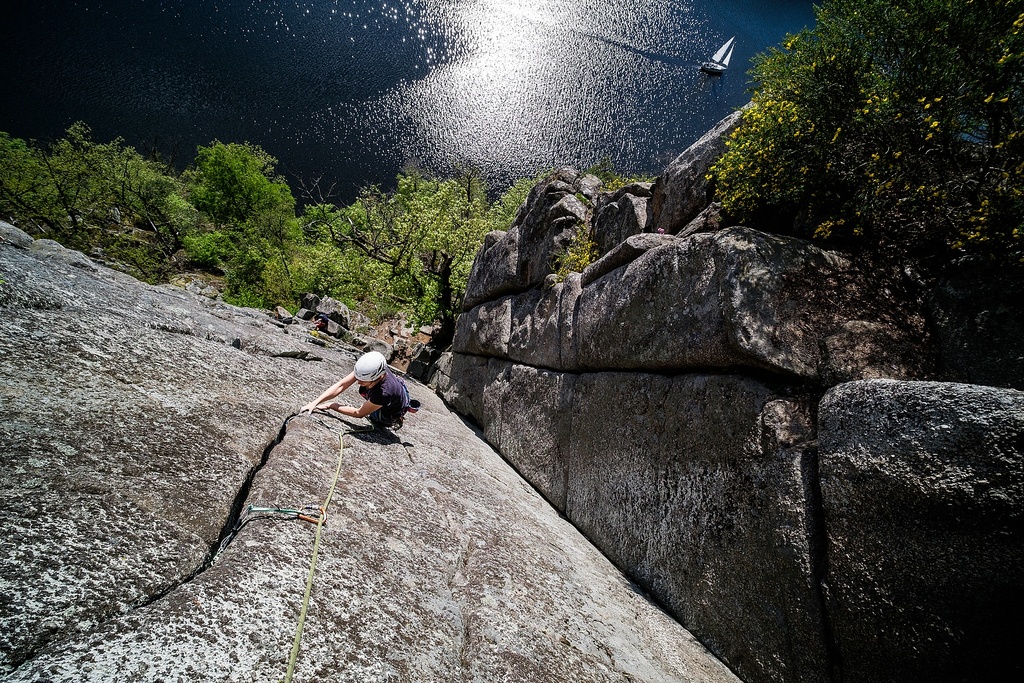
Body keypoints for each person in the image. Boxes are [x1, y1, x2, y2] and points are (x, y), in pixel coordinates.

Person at [300, 350, 415, 429]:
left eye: (363, 381)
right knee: (368, 394)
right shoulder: (372, 367)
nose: (358, 382)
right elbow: (341, 385)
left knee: (375, 417)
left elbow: (359, 413)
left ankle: (395, 419)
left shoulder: (383, 393)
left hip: (391, 409)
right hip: (397, 392)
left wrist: (332, 405)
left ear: (378, 377)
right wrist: (315, 402)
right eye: (358, 378)